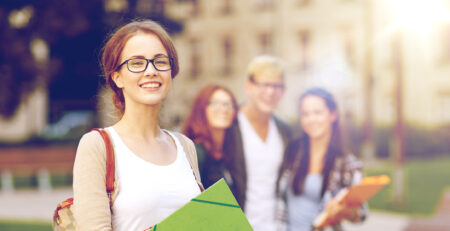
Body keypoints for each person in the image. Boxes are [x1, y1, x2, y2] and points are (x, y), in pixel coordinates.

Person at [72, 20, 203, 231]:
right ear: (117, 78)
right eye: (136, 63)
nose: (151, 71)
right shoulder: (97, 145)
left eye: (160, 61)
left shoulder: (185, 146)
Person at [278, 87, 367, 231]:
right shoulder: (292, 152)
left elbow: (361, 213)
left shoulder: (348, 163)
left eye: (318, 113)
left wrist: (342, 211)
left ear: (333, 115)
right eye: (305, 114)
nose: (311, 119)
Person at [223, 55, 293, 231]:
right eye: (264, 85)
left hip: (275, 226)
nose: (270, 92)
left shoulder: (284, 130)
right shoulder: (230, 125)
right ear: (249, 86)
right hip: (236, 226)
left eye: (277, 86)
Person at [183, 85, 238, 188]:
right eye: (215, 103)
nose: (224, 109)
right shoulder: (197, 153)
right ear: (201, 109)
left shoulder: (228, 152)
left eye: (228, 104)